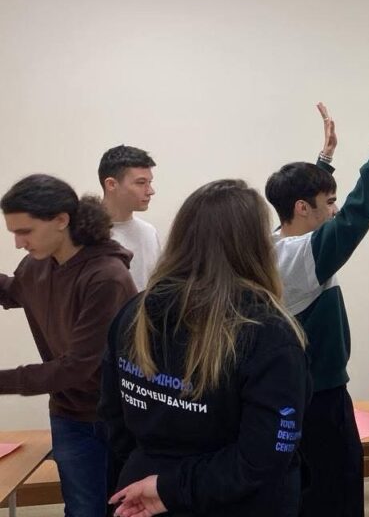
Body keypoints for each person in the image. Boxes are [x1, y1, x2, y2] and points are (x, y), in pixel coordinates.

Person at [101, 179, 310, 517]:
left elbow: (112, 420)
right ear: (257, 246)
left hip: (143, 493)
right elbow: (264, 459)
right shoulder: (267, 333)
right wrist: (169, 487)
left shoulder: (133, 312)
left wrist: (160, 479)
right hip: (228, 502)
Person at [264, 68, 369, 516]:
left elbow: (310, 213)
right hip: (319, 400)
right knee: (334, 493)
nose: (336, 209)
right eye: (328, 202)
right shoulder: (303, 258)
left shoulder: (274, 243)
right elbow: (359, 212)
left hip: (298, 395)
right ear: (303, 208)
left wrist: (322, 162)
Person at [0, 174, 136, 516]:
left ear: (61, 220)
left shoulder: (106, 277)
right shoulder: (35, 266)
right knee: (82, 510)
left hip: (118, 418)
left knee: (121, 509)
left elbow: (77, 366)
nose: (18, 243)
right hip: (69, 414)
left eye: (25, 231)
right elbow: (15, 291)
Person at [99, 145, 160, 291]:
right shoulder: (83, 235)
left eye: (149, 183)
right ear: (111, 184)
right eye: (141, 183)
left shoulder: (149, 233)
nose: (150, 191)